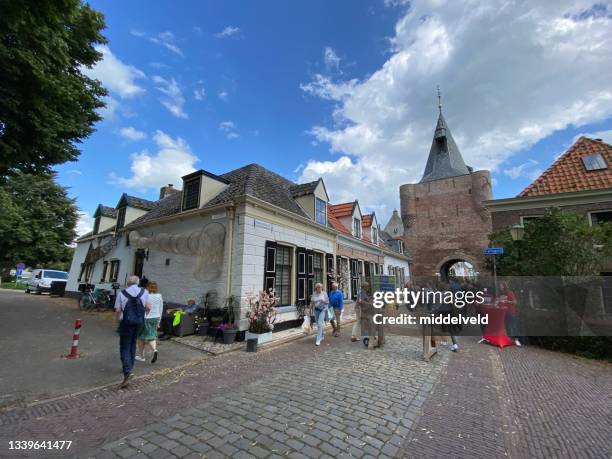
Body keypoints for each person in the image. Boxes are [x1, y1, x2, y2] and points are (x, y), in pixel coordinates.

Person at [115, 275, 151, 388]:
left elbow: (117, 310)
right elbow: (149, 307)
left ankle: (127, 371)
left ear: (128, 283)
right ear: (138, 282)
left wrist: (117, 321)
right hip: (139, 322)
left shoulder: (122, 293)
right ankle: (129, 368)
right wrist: (144, 316)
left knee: (124, 346)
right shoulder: (144, 292)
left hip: (126, 323)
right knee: (132, 343)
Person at [136, 281, 163, 364]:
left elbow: (140, 308)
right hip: (155, 318)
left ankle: (141, 356)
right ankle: (154, 350)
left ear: (147, 287)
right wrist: (159, 321)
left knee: (140, 337)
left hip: (146, 318)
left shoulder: (145, 296)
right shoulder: (159, 296)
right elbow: (160, 309)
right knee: (151, 335)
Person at [498, 281, 521, 346]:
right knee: (507, 326)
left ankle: (516, 340)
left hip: (511, 312)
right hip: (504, 312)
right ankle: (509, 339)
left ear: (504, 286)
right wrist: (498, 301)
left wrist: (507, 301)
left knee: (514, 326)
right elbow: (499, 302)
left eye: (501, 286)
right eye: (500, 286)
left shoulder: (510, 293)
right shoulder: (500, 294)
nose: (500, 287)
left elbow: (515, 302)